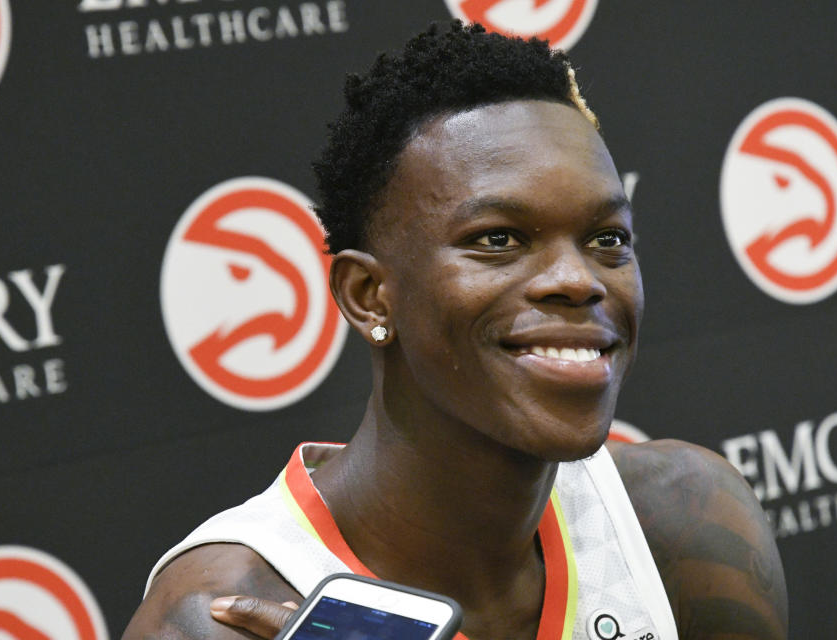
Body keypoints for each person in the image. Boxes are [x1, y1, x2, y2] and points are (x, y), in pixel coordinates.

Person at [123, 21, 788, 640]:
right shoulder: (217, 617)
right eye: (498, 238)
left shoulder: (689, 524)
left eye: (607, 238)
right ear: (367, 296)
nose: (578, 278)